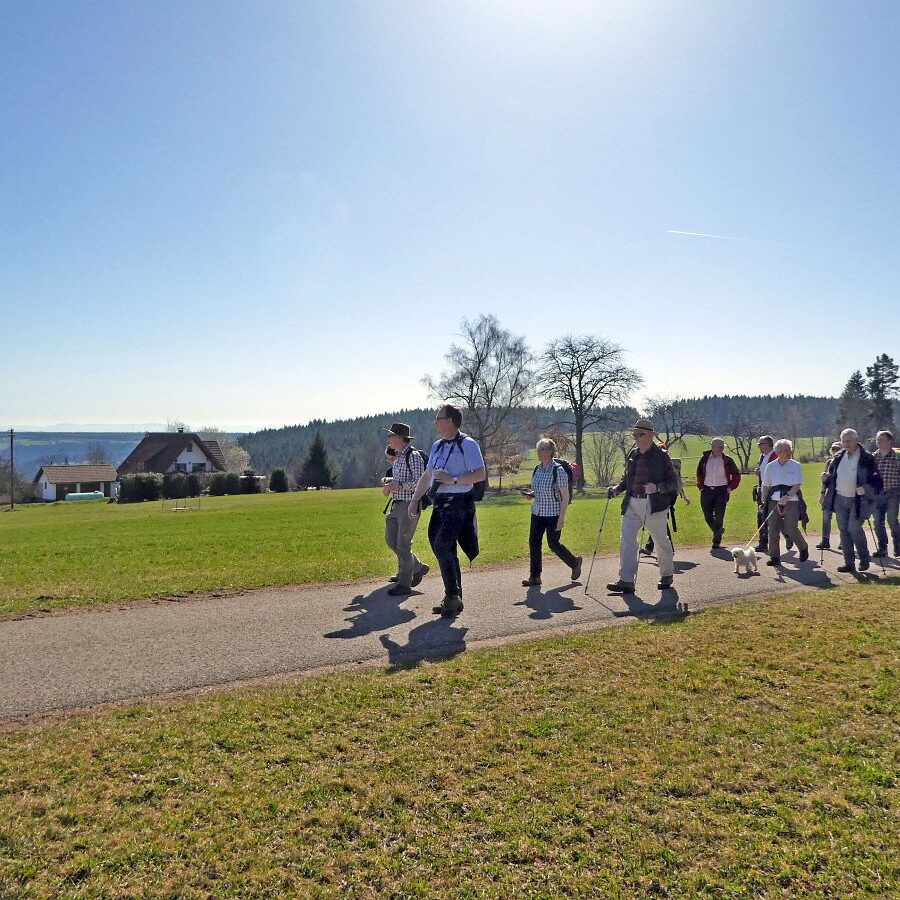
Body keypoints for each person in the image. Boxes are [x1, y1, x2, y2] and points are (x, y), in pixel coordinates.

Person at [408, 404, 486, 617]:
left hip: (459, 503)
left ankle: (452, 597)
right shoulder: (438, 446)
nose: (435, 422)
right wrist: (416, 499)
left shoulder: (468, 444)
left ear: (450, 420)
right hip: (440, 503)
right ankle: (454, 597)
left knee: (442, 546)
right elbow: (427, 475)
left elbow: (479, 474)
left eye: (438, 418)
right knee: (442, 547)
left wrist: (454, 479)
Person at [606, 419, 678, 594]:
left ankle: (667, 574)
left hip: (654, 505)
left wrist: (657, 487)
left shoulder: (661, 456)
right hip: (632, 502)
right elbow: (627, 478)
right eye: (634, 434)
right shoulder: (633, 454)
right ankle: (626, 580)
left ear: (650, 435)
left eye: (638, 434)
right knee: (627, 540)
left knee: (661, 541)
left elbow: (673, 483)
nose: (635, 437)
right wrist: (617, 488)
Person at [520, 438, 582, 587]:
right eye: (538, 449)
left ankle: (575, 562)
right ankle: (535, 577)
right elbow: (540, 489)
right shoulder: (537, 469)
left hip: (553, 514)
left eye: (542, 449)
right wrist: (531, 494)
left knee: (553, 544)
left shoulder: (558, 470)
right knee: (534, 543)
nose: (538, 452)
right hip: (537, 513)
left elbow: (565, 495)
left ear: (549, 451)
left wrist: (562, 517)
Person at [821, 428, 880, 573]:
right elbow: (833, 477)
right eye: (844, 441)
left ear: (856, 440)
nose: (846, 444)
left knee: (853, 529)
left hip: (858, 500)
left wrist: (865, 488)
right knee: (843, 531)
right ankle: (849, 563)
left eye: (849, 441)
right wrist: (826, 479)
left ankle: (864, 560)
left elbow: (877, 481)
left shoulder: (867, 457)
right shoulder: (839, 456)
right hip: (840, 499)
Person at [381, 423, 429, 596]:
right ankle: (417, 567)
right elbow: (400, 479)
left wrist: (398, 485)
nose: (388, 439)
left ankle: (404, 583)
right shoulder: (399, 456)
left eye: (391, 436)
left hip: (410, 505)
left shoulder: (413, 456)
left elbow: (420, 484)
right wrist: (389, 482)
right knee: (391, 540)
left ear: (400, 438)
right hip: (397, 505)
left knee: (402, 545)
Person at [761, 439, 809, 565]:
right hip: (773, 500)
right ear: (777, 452)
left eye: (788, 450)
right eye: (783, 450)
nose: (787, 452)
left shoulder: (796, 465)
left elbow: (796, 485)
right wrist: (763, 502)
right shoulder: (770, 466)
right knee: (773, 528)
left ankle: (803, 547)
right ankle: (774, 557)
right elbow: (766, 486)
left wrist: (787, 496)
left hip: (792, 500)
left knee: (790, 528)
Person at [696, 438, 742, 549]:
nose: (722, 449)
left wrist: (730, 487)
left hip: (722, 491)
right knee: (707, 516)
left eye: (723, 447)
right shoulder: (705, 459)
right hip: (706, 490)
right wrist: (701, 486)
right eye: (719, 447)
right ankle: (718, 530)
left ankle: (716, 541)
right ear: (713, 447)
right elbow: (699, 473)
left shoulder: (728, 460)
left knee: (719, 516)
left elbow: (736, 475)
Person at [641, 457, 690, 556]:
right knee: (657, 521)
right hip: (666, 499)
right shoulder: (668, 471)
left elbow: (678, 487)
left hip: (667, 500)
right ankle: (649, 547)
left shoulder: (671, 474)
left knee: (660, 521)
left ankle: (669, 548)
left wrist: (684, 497)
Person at [871, 430, 900, 558]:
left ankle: (898, 546)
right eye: (877, 439)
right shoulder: (873, 457)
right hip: (877, 495)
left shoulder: (897, 456)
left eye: (881, 439)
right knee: (877, 522)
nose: (878, 442)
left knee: (892, 520)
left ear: (889, 441)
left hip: (893, 493)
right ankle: (882, 548)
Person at [815, 441, 843, 551]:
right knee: (826, 517)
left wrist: (829, 477)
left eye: (837, 449)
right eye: (833, 449)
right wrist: (822, 494)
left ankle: (843, 540)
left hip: (840, 493)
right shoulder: (829, 463)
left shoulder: (843, 462)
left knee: (841, 518)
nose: (835, 451)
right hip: (829, 494)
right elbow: (824, 482)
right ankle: (825, 540)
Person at [753, 436, 777, 552]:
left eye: (760, 444)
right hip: (762, 490)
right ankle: (763, 543)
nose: (759, 446)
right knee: (761, 516)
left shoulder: (775, 455)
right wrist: (759, 473)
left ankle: (789, 536)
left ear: (768, 444)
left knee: (774, 518)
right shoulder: (762, 456)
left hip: (773, 492)